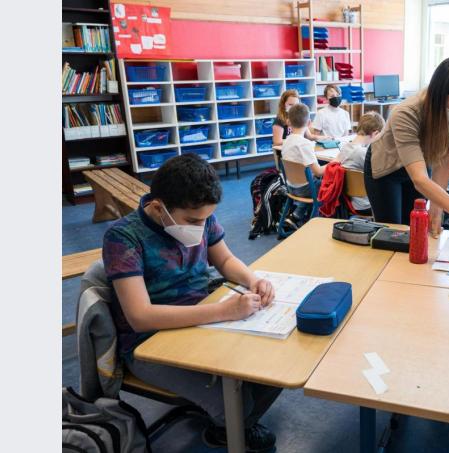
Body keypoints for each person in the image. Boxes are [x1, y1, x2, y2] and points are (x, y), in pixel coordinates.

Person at [102, 154, 281, 451]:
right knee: (237, 403)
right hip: (149, 342)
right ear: (159, 207)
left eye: (206, 218)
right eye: (193, 221)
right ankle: (230, 426)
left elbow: (223, 258)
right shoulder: (123, 237)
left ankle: (233, 417)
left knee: (274, 366)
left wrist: (252, 280)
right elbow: (140, 316)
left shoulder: (201, 214)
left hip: (203, 317)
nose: (201, 226)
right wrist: (223, 311)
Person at [364, 57, 449, 237]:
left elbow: (444, 158)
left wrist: (437, 208)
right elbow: (420, 179)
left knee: (416, 229)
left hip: (420, 164)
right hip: (387, 168)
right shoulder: (406, 113)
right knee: (392, 233)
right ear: (439, 97)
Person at [281, 103, 326, 229]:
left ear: (288, 122)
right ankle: (324, 221)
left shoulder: (286, 141)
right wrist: (336, 161)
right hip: (305, 190)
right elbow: (318, 172)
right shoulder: (305, 144)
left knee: (311, 181)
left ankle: (296, 215)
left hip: (290, 187)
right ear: (309, 123)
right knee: (331, 183)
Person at [332, 112, 385, 215]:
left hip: (349, 202)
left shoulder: (345, 147)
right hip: (366, 205)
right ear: (375, 134)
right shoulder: (362, 153)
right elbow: (382, 171)